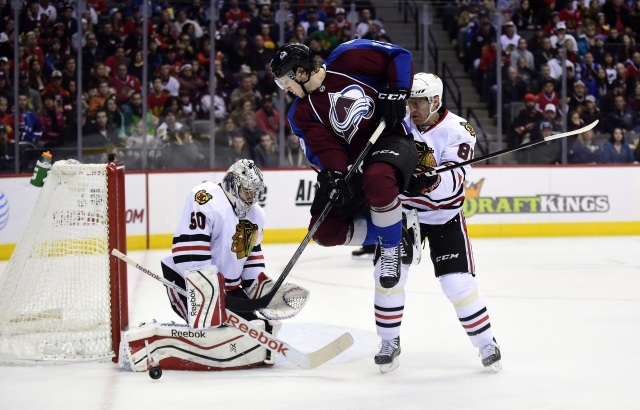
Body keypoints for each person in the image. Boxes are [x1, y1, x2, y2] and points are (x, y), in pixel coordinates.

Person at [270, 41, 419, 371]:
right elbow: (325, 149)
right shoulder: (302, 112)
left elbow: (399, 56)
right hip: (356, 160)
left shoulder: (348, 57)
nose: (286, 89)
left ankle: (391, 246)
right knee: (324, 230)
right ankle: (395, 228)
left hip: (392, 139)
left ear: (299, 71)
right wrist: (334, 176)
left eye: (285, 81)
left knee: (378, 180)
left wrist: (396, 91)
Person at [129, 159, 308, 371]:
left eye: (254, 192)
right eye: (246, 191)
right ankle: (156, 340)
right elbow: (191, 255)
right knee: (212, 327)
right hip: (191, 284)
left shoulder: (256, 215)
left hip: (228, 291)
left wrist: (263, 290)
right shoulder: (207, 198)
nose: (251, 197)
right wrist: (209, 292)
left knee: (259, 331)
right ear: (233, 184)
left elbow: (251, 259)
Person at [397, 72, 502, 373]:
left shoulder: (459, 130)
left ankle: (486, 343)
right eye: (410, 101)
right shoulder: (400, 122)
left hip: (444, 217)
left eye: (419, 102)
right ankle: (388, 342)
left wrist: (431, 181)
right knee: (389, 279)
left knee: (457, 283)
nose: (412, 108)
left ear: (436, 101)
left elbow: (454, 181)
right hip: (404, 215)